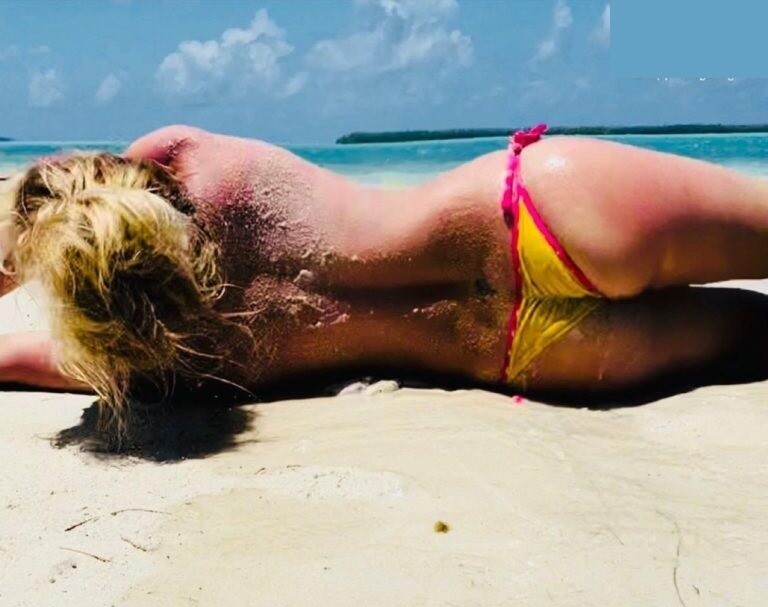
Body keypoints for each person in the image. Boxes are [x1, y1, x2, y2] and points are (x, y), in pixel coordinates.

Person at [2, 122, 768, 420]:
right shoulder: (179, 157)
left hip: (528, 348)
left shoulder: (167, 359)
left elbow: (22, 358)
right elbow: (38, 207)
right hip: (532, 210)